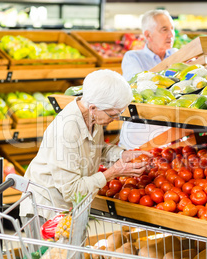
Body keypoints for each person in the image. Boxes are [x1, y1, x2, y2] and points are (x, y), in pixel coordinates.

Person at [19, 69, 151, 222]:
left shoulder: (92, 117)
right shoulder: (66, 131)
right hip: (47, 211)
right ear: (93, 108)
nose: (116, 119)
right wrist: (111, 173)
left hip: (72, 208)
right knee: (52, 248)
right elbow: (71, 190)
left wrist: (122, 155)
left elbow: (96, 149)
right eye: (113, 114)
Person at [119, 9, 178, 150]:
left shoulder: (176, 55)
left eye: (172, 29)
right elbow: (142, 85)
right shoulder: (133, 57)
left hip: (170, 139)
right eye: (164, 29)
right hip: (138, 140)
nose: (171, 35)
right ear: (148, 35)